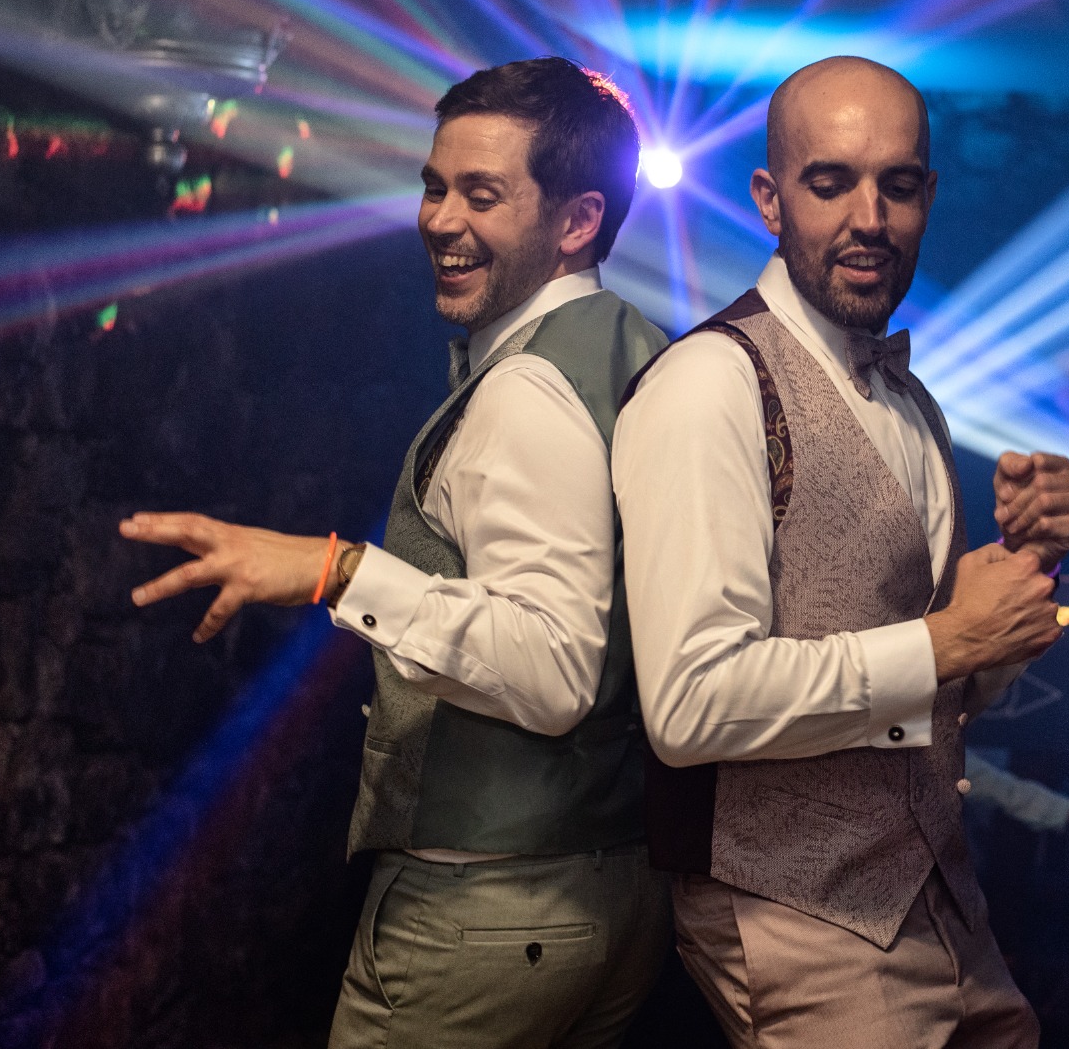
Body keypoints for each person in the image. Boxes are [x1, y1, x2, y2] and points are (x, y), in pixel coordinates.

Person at [119, 58, 673, 1049]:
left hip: (487, 911)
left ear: (578, 221)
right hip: (611, 887)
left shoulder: (526, 391)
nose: (439, 219)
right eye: (434, 186)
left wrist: (336, 571)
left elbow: (554, 670)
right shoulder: (637, 348)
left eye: (481, 195)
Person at [613, 55, 1069, 1048]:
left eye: (897, 186)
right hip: (795, 915)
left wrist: (1028, 566)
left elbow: (947, 693)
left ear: (928, 198)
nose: (869, 218)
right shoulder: (709, 385)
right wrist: (946, 641)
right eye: (829, 182)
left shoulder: (913, 404)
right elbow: (689, 706)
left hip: (942, 901)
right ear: (769, 199)